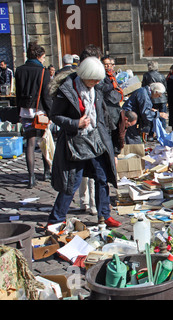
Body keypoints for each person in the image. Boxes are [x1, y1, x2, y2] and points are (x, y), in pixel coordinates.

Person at [47, 57, 121, 228]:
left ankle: (104, 215)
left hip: (96, 138)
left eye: (98, 79)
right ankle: (56, 219)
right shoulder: (66, 90)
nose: (96, 82)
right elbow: (55, 116)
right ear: (84, 75)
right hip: (76, 142)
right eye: (93, 79)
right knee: (72, 182)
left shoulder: (97, 88)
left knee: (102, 178)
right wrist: (75, 123)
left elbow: (104, 113)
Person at [15, 42, 53, 188]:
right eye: (43, 57)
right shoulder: (43, 71)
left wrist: (18, 111)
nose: (44, 60)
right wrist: (51, 113)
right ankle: (46, 171)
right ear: (38, 56)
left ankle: (31, 177)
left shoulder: (19, 70)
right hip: (40, 111)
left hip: (25, 110)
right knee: (44, 140)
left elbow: (18, 93)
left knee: (30, 143)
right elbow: (47, 95)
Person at [141, 61, 168, 130]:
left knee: (152, 116)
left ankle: (151, 133)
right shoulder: (161, 75)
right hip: (162, 98)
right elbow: (165, 87)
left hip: (152, 98)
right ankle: (163, 131)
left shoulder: (146, 75)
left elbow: (143, 86)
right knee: (163, 116)